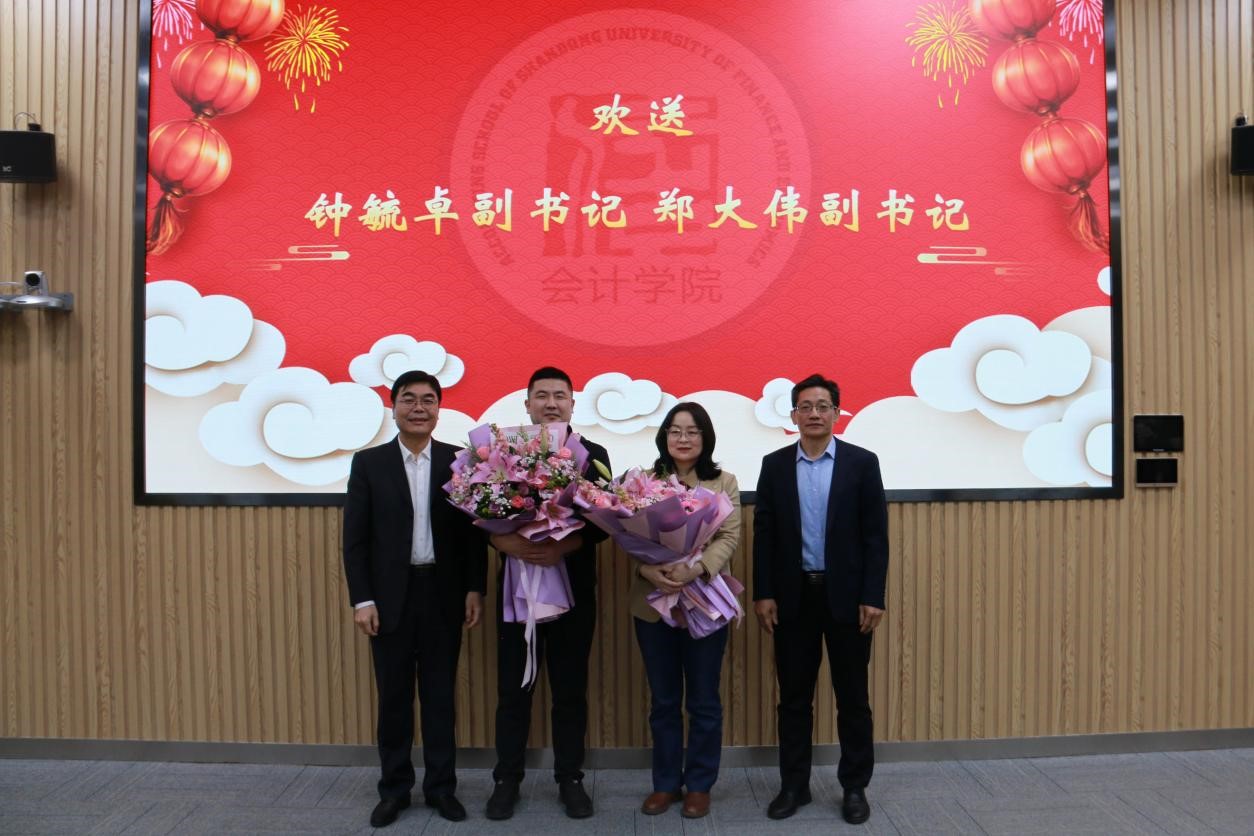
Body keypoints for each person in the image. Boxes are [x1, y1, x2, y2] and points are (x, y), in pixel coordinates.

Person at [342, 370, 487, 828]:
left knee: (441, 698)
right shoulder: (369, 464)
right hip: (389, 599)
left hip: (443, 595)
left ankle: (442, 789)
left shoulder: (460, 461)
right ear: (394, 407)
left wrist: (474, 588)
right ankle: (395, 790)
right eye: (409, 399)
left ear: (439, 409)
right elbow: (355, 540)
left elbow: (473, 534)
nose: (419, 408)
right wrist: (362, 600)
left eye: (428, 400)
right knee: (394, 699)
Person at [752, 373, 888, 825]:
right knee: (793, 699)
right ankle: (794, 786)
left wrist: (872, 595)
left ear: (836, 413)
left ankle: (854, 787)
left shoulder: (861, 463)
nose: (814, 413)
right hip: (792, 599)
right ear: (793, 415)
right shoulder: (774, 465)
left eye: (823, 406)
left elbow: (876, 536)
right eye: (805, 407)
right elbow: (764, 535)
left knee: (853, 699)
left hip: (848, 600)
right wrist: (764, 592)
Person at [485, 367, 611, 820]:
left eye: (560, 395)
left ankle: (570, 779)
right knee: (513, 690)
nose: (551, 403)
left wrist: (565, 546)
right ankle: (507, 780)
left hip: (572, 590)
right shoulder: (500, 454)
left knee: (570, 690)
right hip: (517, 593)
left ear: (573, 404)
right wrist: (500, 540)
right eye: (542, 395)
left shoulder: (593, 454)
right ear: (527, 404)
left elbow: (604, 523)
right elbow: (479, 513)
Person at [632, 402, 741, 819]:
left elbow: (728, 537)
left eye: (692, 431)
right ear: (664, 436)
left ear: (705, 437)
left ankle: (699, 785)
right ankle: (664, 784)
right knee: (663, 700)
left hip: (705, 602)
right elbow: (627, 536)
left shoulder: (723, 482)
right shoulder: (643, 481)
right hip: (653, 601)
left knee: (703, 699)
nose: (683, 438)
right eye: (675, 430)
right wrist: (648, 569)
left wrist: (694, 569)